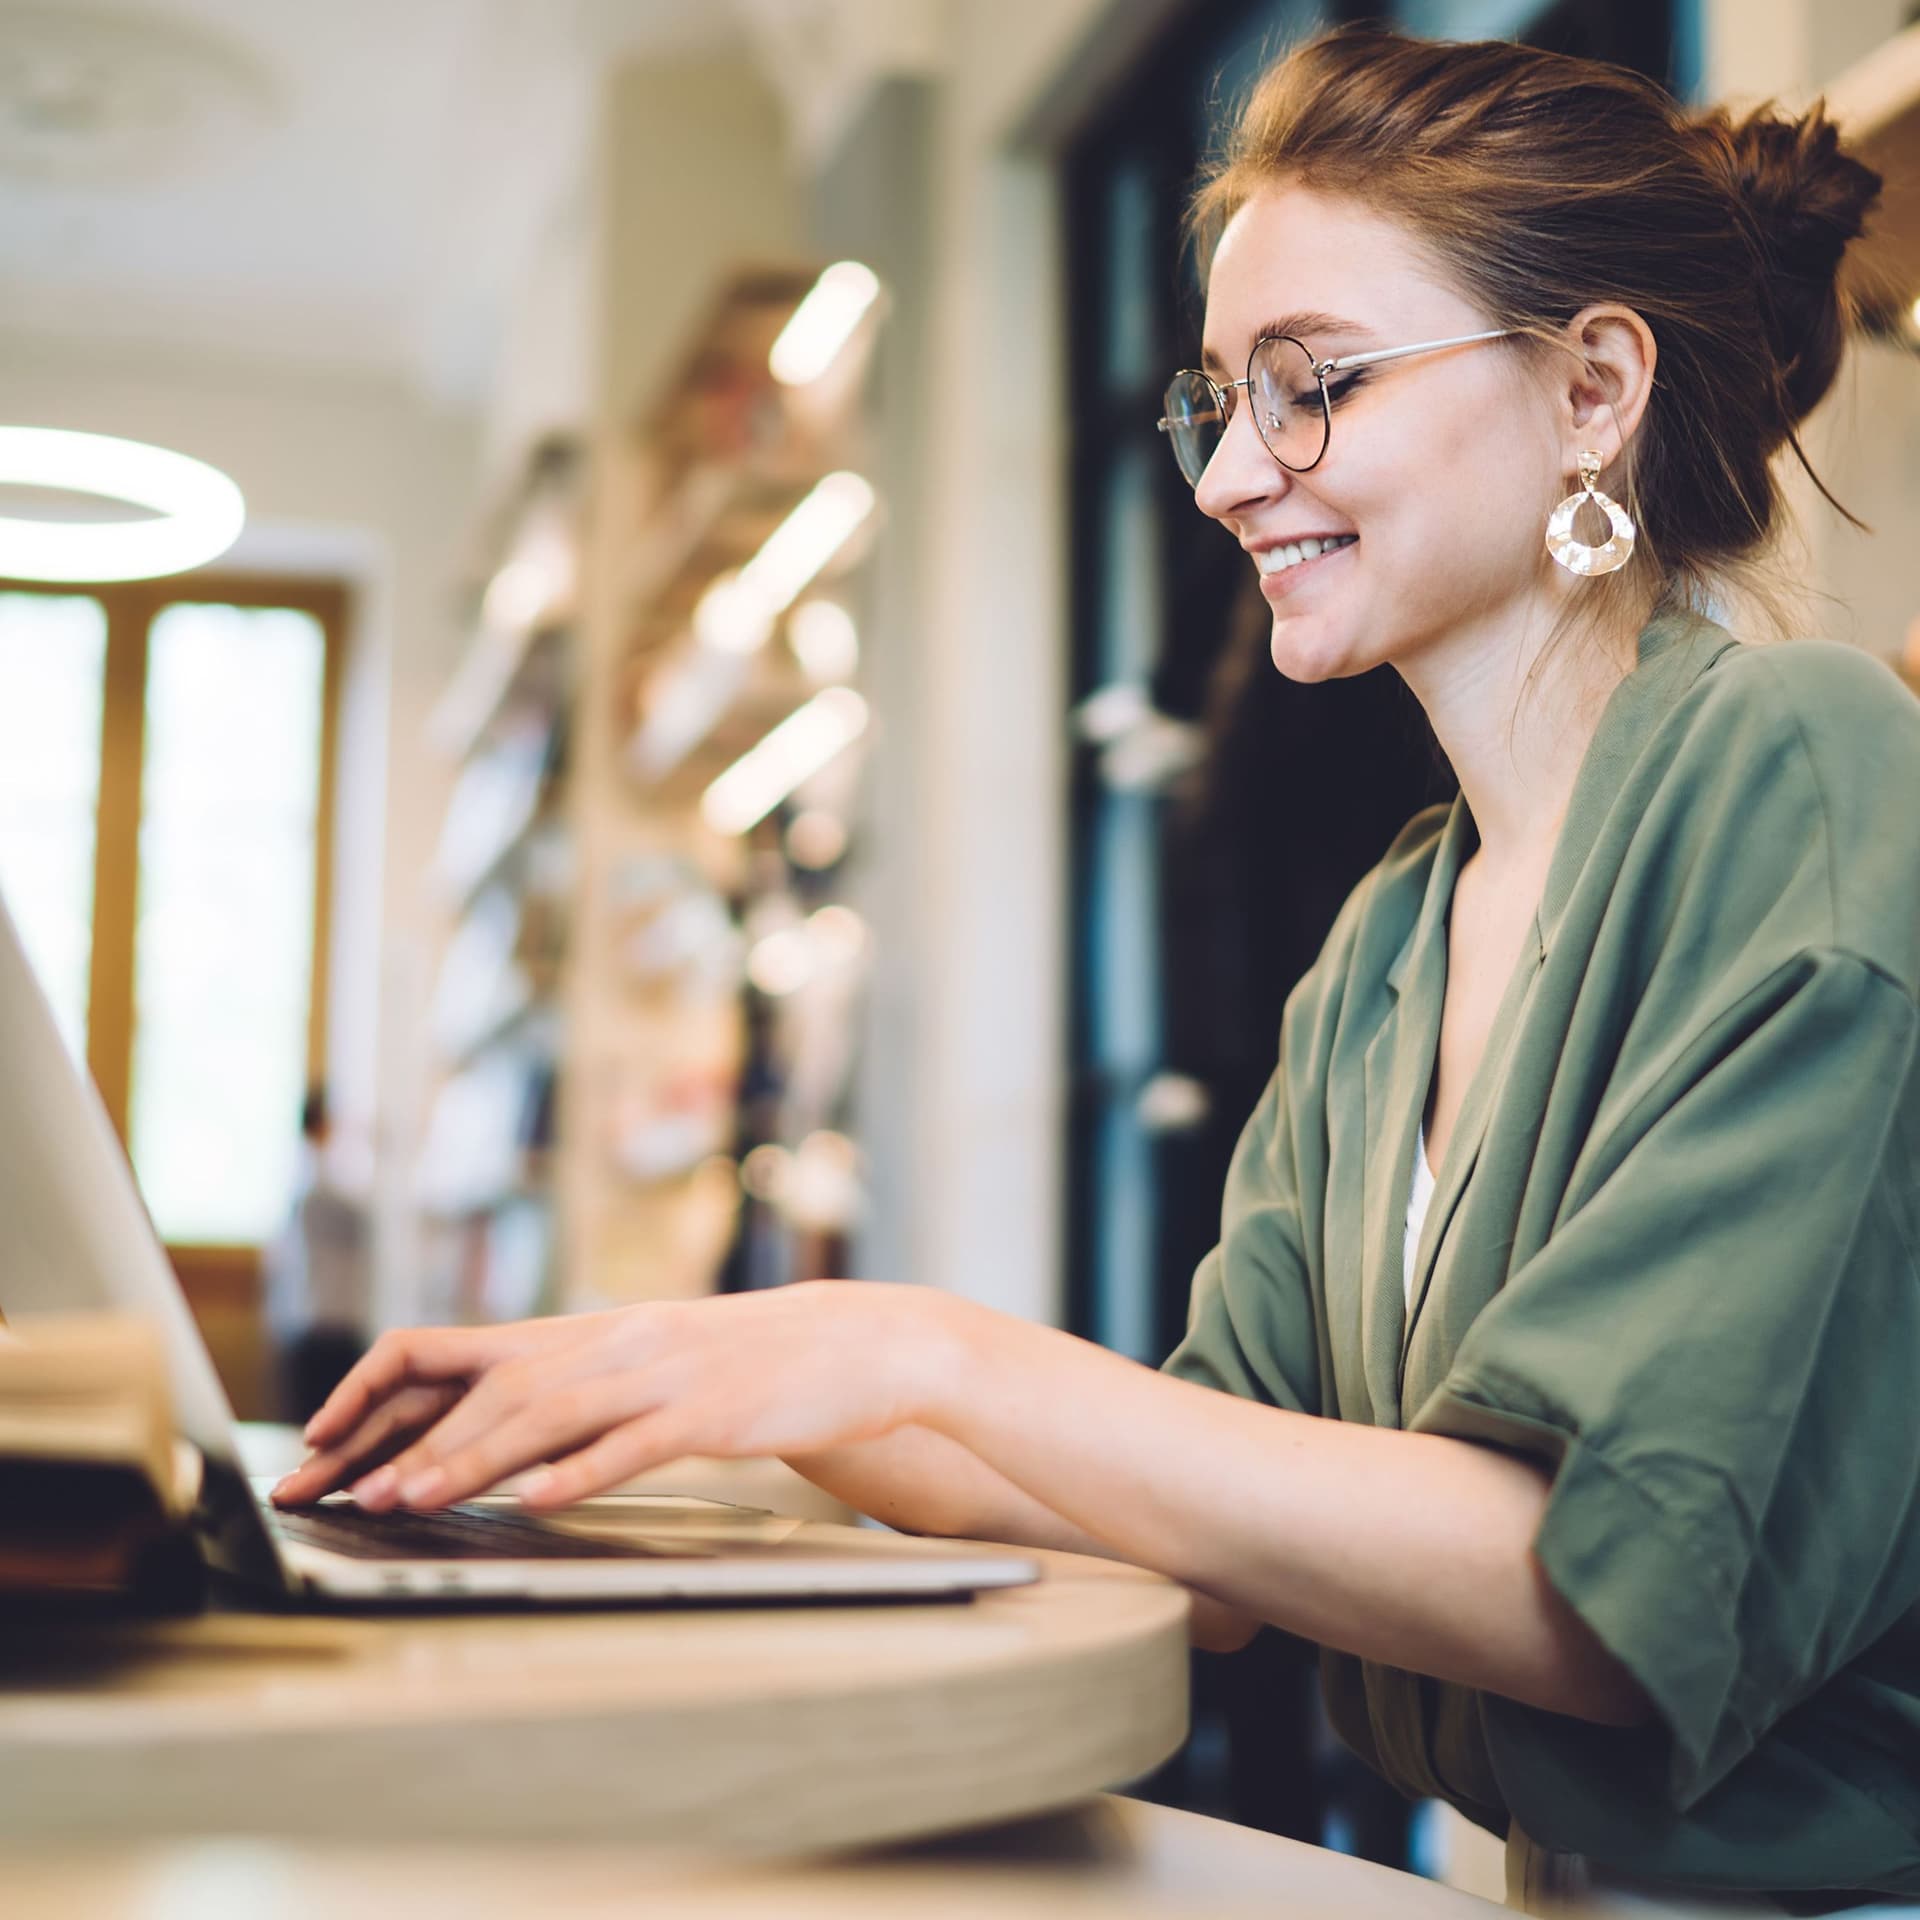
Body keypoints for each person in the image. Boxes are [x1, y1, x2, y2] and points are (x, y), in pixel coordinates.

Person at [273, 27, 1920, 1914]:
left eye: (1312, 387)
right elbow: (1206, 1534)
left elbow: (1595, 1594)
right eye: (1220, 401)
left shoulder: (1805, 764)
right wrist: (700, 1387)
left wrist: (914, 1351)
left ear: (1592, 389)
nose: (1230, 479)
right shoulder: (1392, 939)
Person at [263, 1083, 372, 1422]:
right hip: (323, 1321)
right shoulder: (319, 1177)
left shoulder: (295, 1174)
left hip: (306, 1318)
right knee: (323, 1418)